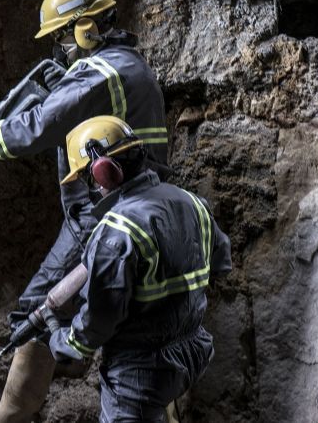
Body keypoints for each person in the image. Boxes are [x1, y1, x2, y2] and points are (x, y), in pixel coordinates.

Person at [0, 0, 170, 423]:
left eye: (63, 36)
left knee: (36, 309)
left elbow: (36, 128)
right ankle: (70, 361)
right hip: (126, 207)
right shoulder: (126, 66)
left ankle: (13, 413)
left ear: (85, 28)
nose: (62, 47)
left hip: (106, 216)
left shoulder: (100, 73)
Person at [46, 115, 232, 422]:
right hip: (192, 351)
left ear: (103, 172)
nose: (92, 189)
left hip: (141, 373)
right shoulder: (193, 203)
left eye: (89, 179)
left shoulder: (116, 231)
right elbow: (219, 265)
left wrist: (67, 341)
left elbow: (99, 320)